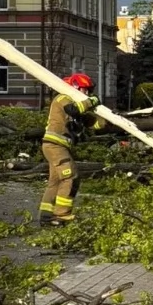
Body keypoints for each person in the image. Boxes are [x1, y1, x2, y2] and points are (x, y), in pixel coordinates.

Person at [38, 73, 102, 227]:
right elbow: (74, 110)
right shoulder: (63, 97)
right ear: (75, 87)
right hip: (55, 145)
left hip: (56, 146)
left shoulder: (75, 106)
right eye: (85, 90)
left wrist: (111, 120)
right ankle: (61, 214)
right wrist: (91, 101)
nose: (87, 94)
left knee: (55, 181)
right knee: (70, 176)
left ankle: (47, 216)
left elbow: (92, 123)